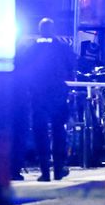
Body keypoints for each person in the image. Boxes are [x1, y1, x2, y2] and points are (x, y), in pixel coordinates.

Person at [19, 17, 76, 182]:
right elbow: (71, 66)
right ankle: (58, 169)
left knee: (40, 133)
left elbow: (23, 69)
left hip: (38, 95)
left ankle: (45, 172)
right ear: (53, 29)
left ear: (39, 30)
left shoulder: (33, 48)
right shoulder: (62, 47)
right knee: (59, 132)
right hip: (58, 94)